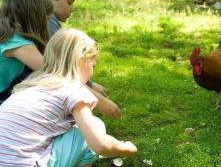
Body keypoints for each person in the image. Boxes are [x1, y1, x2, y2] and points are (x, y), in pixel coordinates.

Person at [0, 28, 137, 166]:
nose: (92, 73)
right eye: (93, 66)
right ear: (80, 61)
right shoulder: (72, 88)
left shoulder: (31, 85)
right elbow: (99, 144)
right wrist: (126, 149)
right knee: (94, 126)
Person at [36, 0, 121, 118]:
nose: (72, 9)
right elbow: (61, 67)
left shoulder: (47, 21)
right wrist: (90, 87)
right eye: (69, 2)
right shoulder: (48, 24)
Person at [0, 0, 53, 104]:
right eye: (47, 19)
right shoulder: (19, 45)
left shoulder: (6, 34)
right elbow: (56, 74)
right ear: (37, 18)